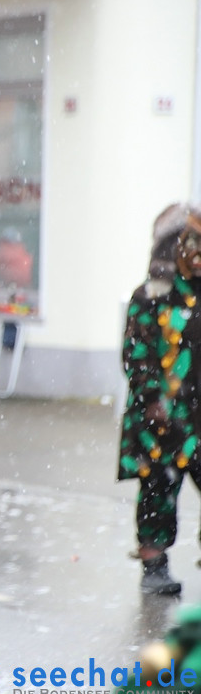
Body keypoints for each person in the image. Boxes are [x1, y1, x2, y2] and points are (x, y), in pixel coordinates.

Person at [118, 203, 201, 595]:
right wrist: (153, 399)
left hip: (198, 413)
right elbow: (136, 355)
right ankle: (154, 565)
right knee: (157, 490)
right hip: (161, 415)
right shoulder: (151, 296)